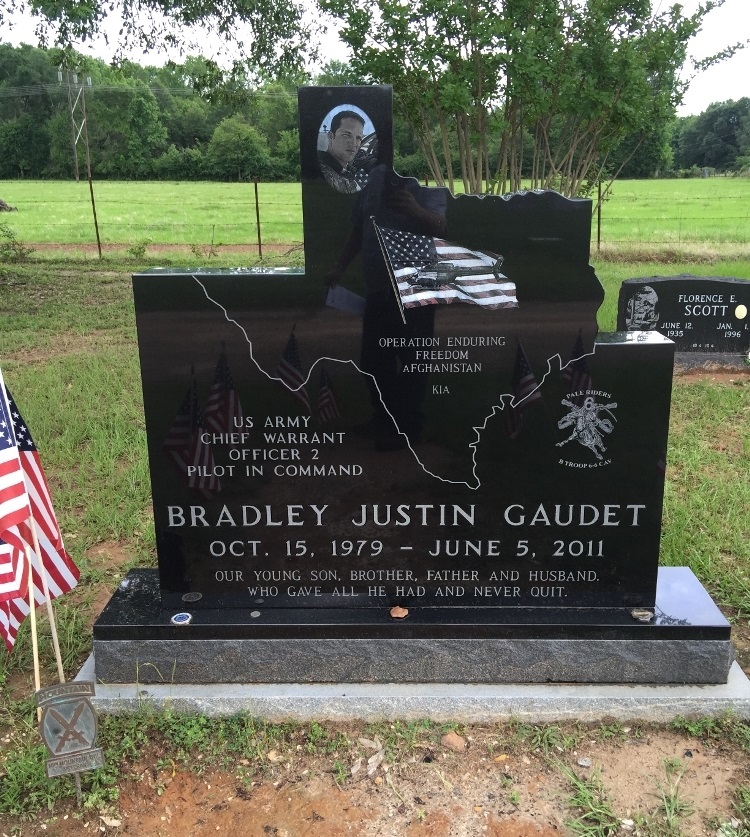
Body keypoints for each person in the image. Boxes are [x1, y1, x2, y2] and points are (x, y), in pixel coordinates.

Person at [327, 165, 449, 449]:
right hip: (378, 288)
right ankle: (383, 420)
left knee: (412, 362)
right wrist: (340, 266)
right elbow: (359, 227)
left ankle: (409, 429)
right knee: (373, 360)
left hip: (415, 287)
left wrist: (415, 210)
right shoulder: (373, 177)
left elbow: (440, 226)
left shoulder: (428, 176)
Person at [318, 111, 366, 193]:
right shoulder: (324, 173)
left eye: (358, 138)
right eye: (347, 135)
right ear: (331, 136)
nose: (354, 143)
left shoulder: (346, 172)